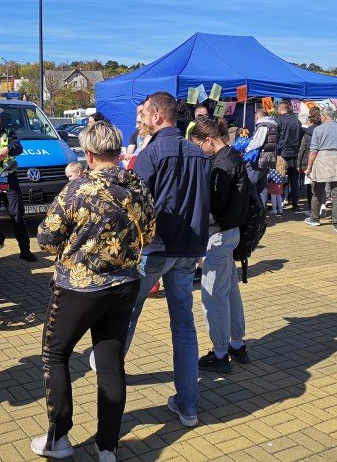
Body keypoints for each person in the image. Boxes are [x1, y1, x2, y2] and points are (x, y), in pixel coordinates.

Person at [32, 121, 156, 461]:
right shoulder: (137, 185)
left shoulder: (78, 189)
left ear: (88, 154)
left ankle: (58, 438)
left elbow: (46, 239)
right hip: (125, 284)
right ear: (116, 151)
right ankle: (107, 446)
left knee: (54, 355)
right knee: (111, 363)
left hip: (80, 288)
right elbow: (150, 229)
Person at [92, 91, 210, 427]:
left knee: (125, 315)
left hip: (154, 249)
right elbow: (204, 202)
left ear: (158, 116)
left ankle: (108, 377)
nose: (140, 119)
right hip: (187, 250)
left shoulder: (152, 153)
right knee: (184, 327)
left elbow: (131, 203)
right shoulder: (197, 152)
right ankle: (188, 406)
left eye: (144, 113)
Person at [188, 119, 250, 373]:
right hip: (231, 232)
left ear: (209, 141)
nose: (199, 151)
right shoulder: (233, 156)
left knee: (213, 296)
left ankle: (221, 351)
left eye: (198, 145)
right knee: (230, 292)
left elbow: (214, 204)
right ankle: (235, 343)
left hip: (218, 235)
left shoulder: (221, 164)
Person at [0, 107, 37, 261]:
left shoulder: (8, 133)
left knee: (18, 216)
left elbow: (18, 147)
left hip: (9, 179)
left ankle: (25, 251)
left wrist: (8, 148)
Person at [304, 108, 337, 233]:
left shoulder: (319, 129)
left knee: (318, 191)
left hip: (323, 159)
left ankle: (314, 218)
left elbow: (313, 151)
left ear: (324, 117)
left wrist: (309, 167)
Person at [245, 110, 279, 200]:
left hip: (259, 159)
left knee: (250, 184)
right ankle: (261, 210)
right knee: (262, 186)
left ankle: (256, 208)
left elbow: (257, 143)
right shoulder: (272, 125)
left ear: (257, 117)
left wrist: (246, 149)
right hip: (268, 158)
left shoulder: (263, 126)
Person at [275, 101, 303, 211]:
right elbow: (301, 136)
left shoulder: (278, 120)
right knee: (294, 179)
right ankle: (295, 203)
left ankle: (280, 201)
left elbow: (275, 137)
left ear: (280, 109)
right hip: (295, 153)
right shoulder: (297, 120)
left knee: (279, 178)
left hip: (282, 154)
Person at [297, 108, 321, 213]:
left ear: (310, 121)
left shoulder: (306, 134)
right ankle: (321, 206)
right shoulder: (322, 131)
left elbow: (302, 149)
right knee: (320, 185)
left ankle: (312, 209)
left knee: (309, 186)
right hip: (321, 161)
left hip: (307, 162)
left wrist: (298, 164)